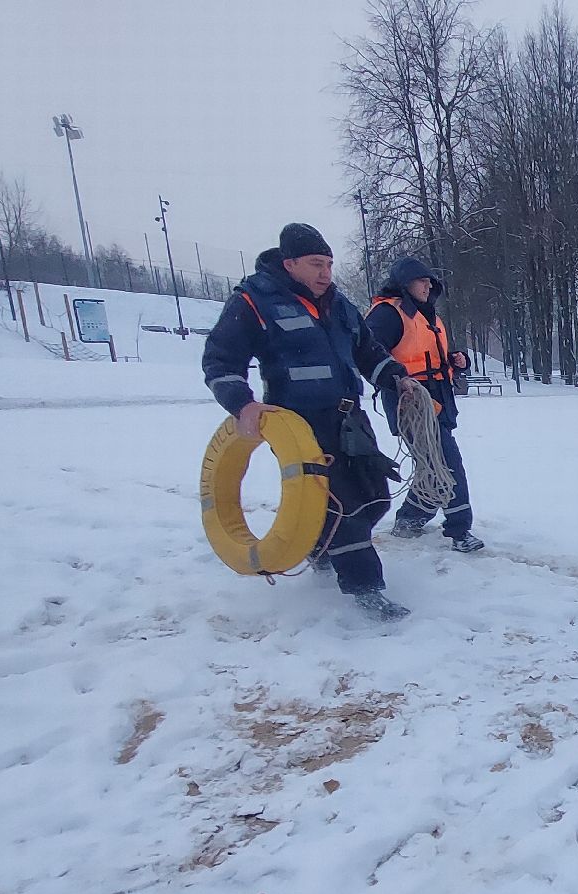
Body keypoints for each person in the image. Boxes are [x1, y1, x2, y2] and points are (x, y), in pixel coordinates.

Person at [201, 223, 418, 622]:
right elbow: (219, 360)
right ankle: (366, 592)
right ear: (290, 263)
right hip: (301, 427)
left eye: (330, 265)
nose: (325, 273)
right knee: (345, 508)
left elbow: (366, 349)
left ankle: (319, 545)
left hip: (349, 418)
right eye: (316, 264)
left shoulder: (338, 304)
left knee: (375, 497)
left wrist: (395, 376)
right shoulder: (255, 301)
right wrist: (243, 405)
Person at [365, 257, 483, 552]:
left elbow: (430, 359)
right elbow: (367, 354)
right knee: (447, 462)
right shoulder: (388, 315)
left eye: (431, 282)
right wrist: (398, 381)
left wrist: (458, 361)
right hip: (411, 405)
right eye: (423, 280)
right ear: (406, 283)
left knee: (433, 466)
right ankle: (459, 530)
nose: (429, 285)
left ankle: (410, 518)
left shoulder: (427, 316)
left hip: (438, 401)